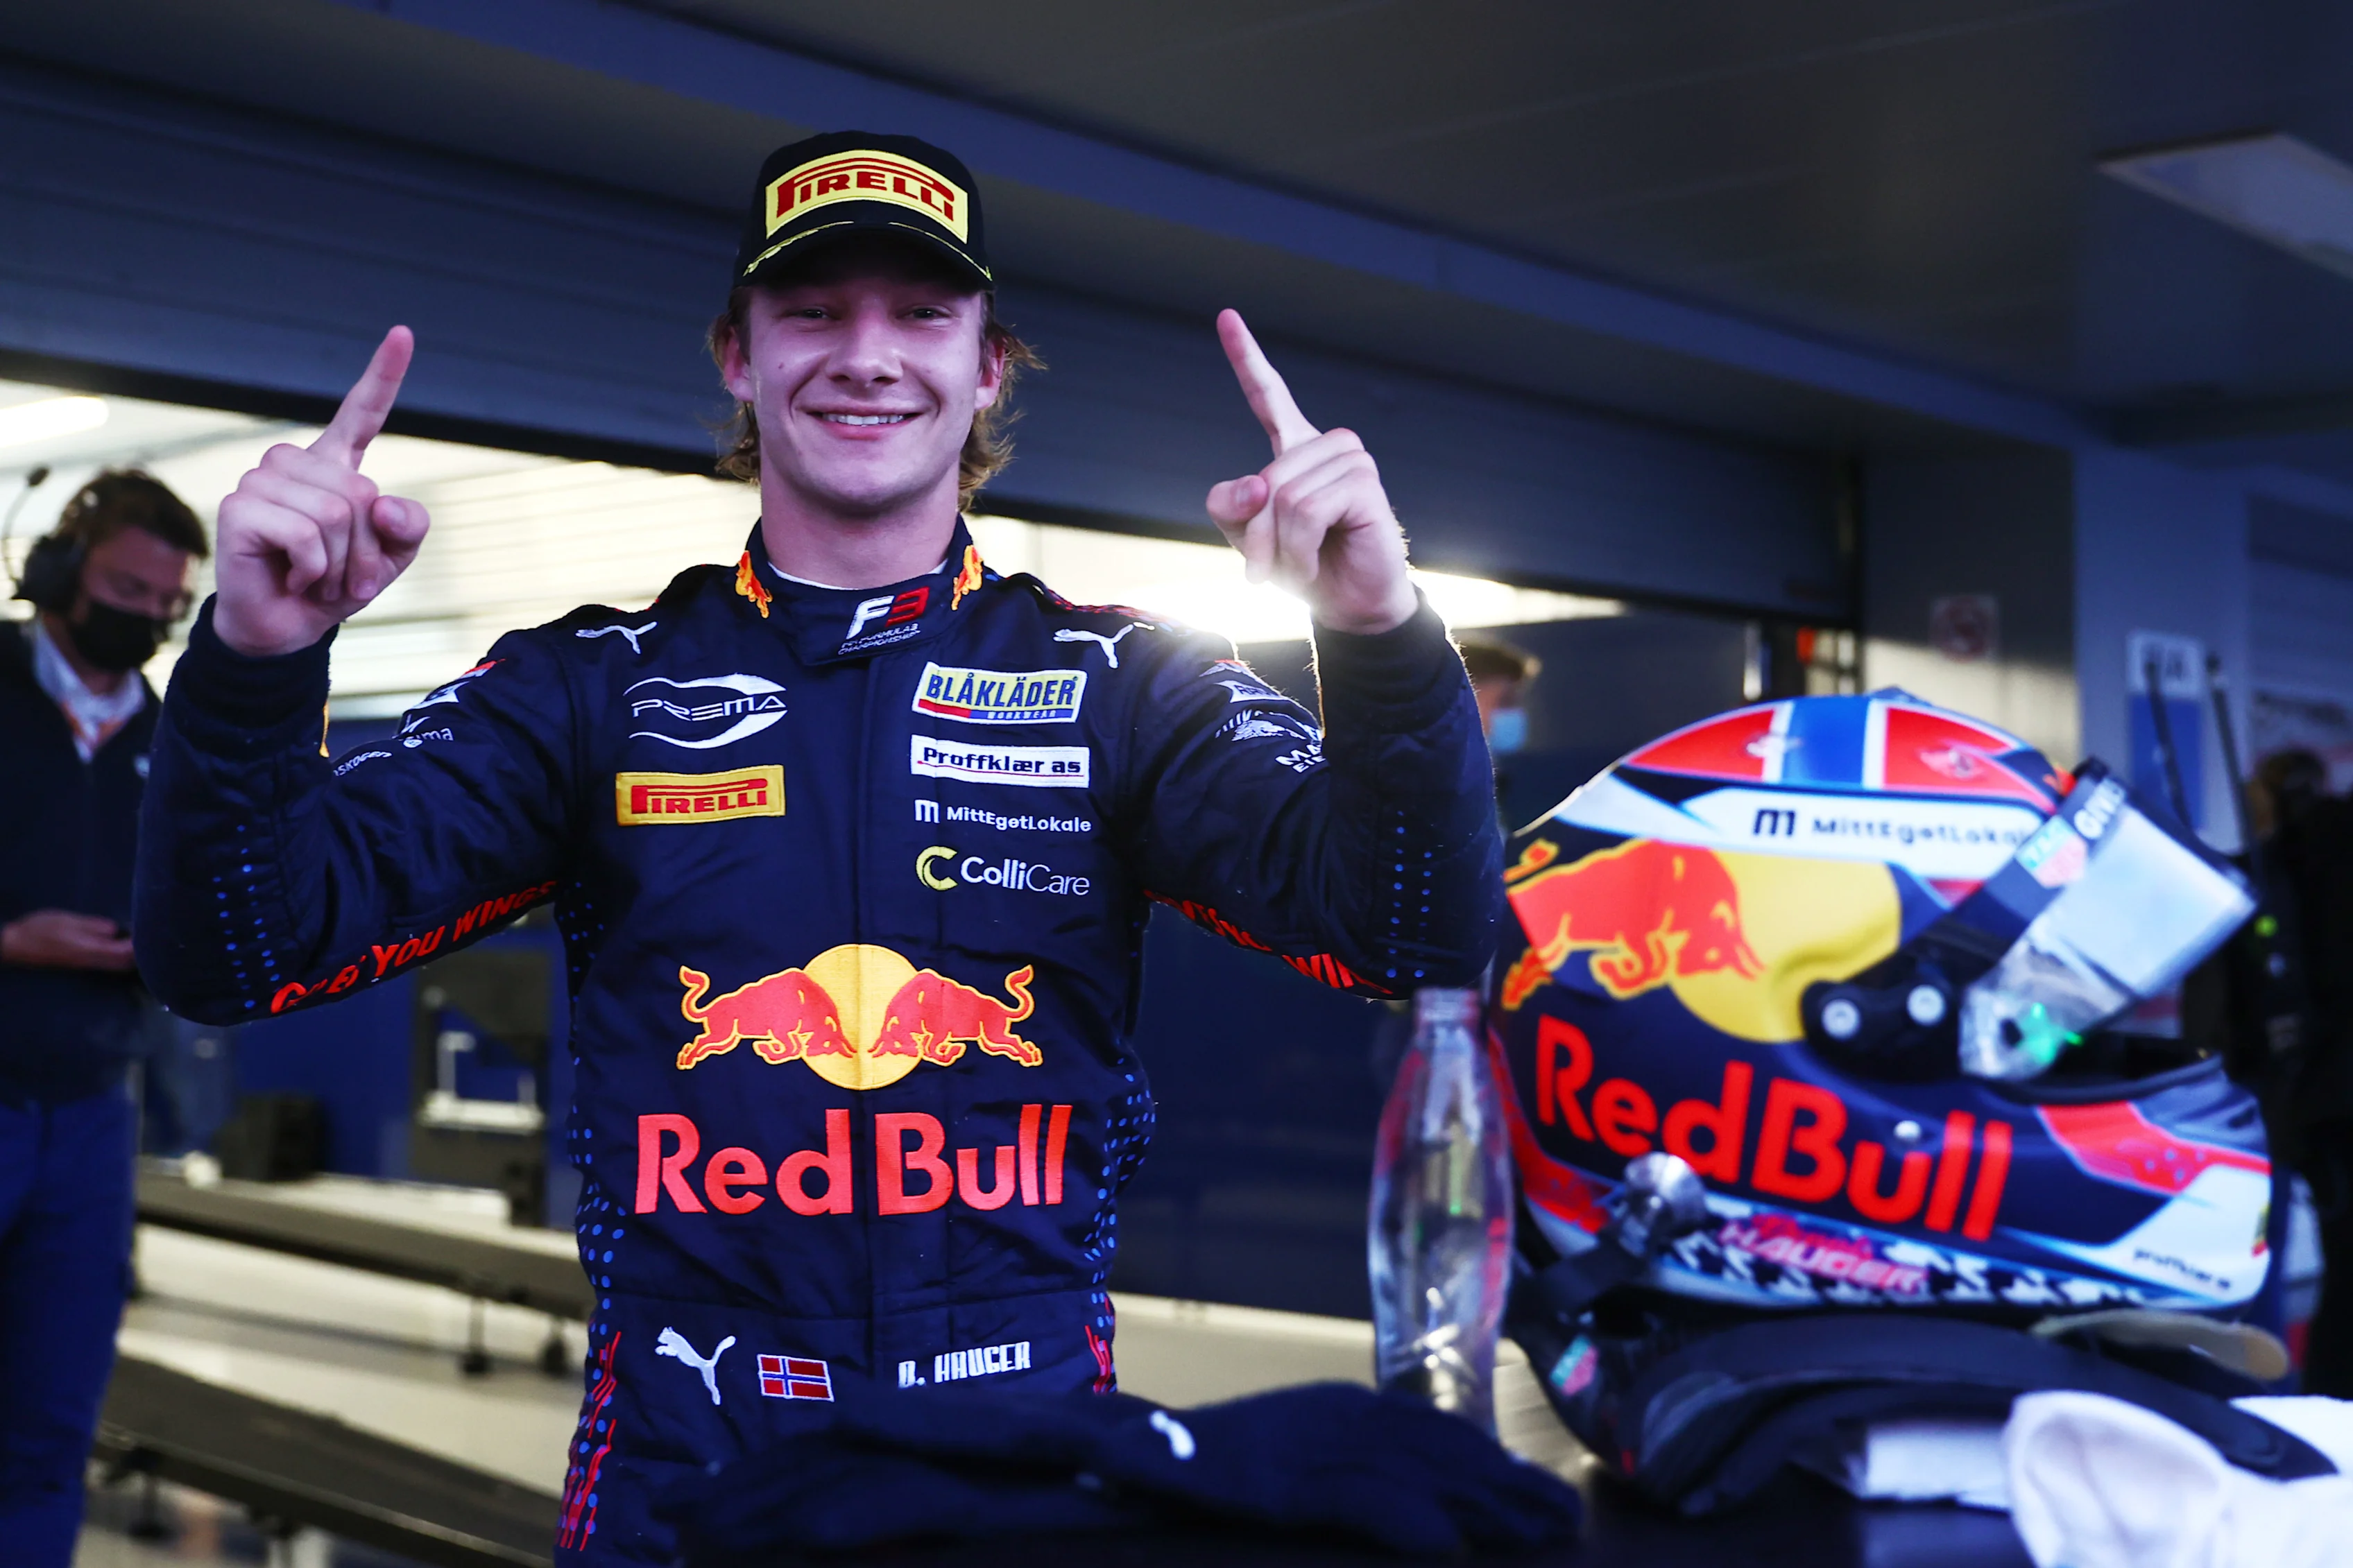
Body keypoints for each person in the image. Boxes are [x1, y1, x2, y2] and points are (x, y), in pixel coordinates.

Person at [135, 132, 1503, 1562]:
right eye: (812, 310)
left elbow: (1416, 934)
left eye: (921, 313)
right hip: (689, 1491)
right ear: (737, 354)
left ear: (986, 369)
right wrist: (255, 660)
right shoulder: (589, 687)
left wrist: (1380, 636)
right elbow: (236, 951)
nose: (867, 354)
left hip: (1020, 1484)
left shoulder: (1121, 682)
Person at [1, 469, 204, 1566]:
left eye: (165, 603)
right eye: (125, 585)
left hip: (89, 1112)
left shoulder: (175, 745)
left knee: (49, 1418)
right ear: (65, 570)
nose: (143, 614)